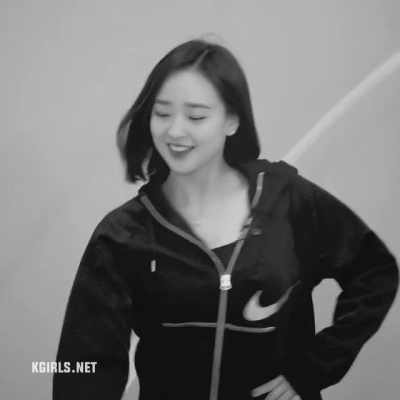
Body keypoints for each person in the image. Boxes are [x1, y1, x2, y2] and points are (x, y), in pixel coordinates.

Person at [53, 38, 399, 400]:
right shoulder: (124, 234)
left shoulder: (288, 203)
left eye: (196, 116)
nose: (175, 131)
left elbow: (374, 273)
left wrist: (314, 367)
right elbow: (85, 362)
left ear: (232, 120)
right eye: (162, 113)